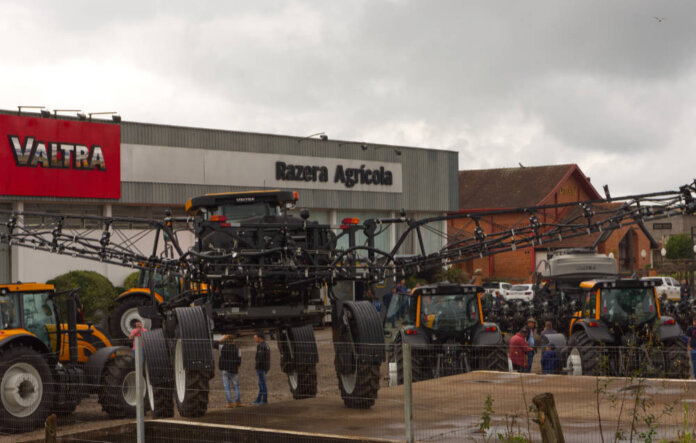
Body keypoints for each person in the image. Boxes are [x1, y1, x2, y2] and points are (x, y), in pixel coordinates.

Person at [219, 334, 242, 408]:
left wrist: (222, 338)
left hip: (225, 369)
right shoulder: (237, 348)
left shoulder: (223, 347)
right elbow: (239, 359)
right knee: (236, 386)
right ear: (233, 340)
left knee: (227, 386)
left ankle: (229, 403)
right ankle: (238, 401)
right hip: (234, 369)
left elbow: (215, 345)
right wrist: (238, 366)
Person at [253, 329, 271, 405]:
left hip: (261, 367)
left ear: (259, 337)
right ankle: (258, 399)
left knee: (262, 384)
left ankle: (264, 400)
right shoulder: (266, 345)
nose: (254, 337)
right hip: (265, 367)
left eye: (256, 336)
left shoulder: (261, 346)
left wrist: (256, 366)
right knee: (260, 384)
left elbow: (260, 358)